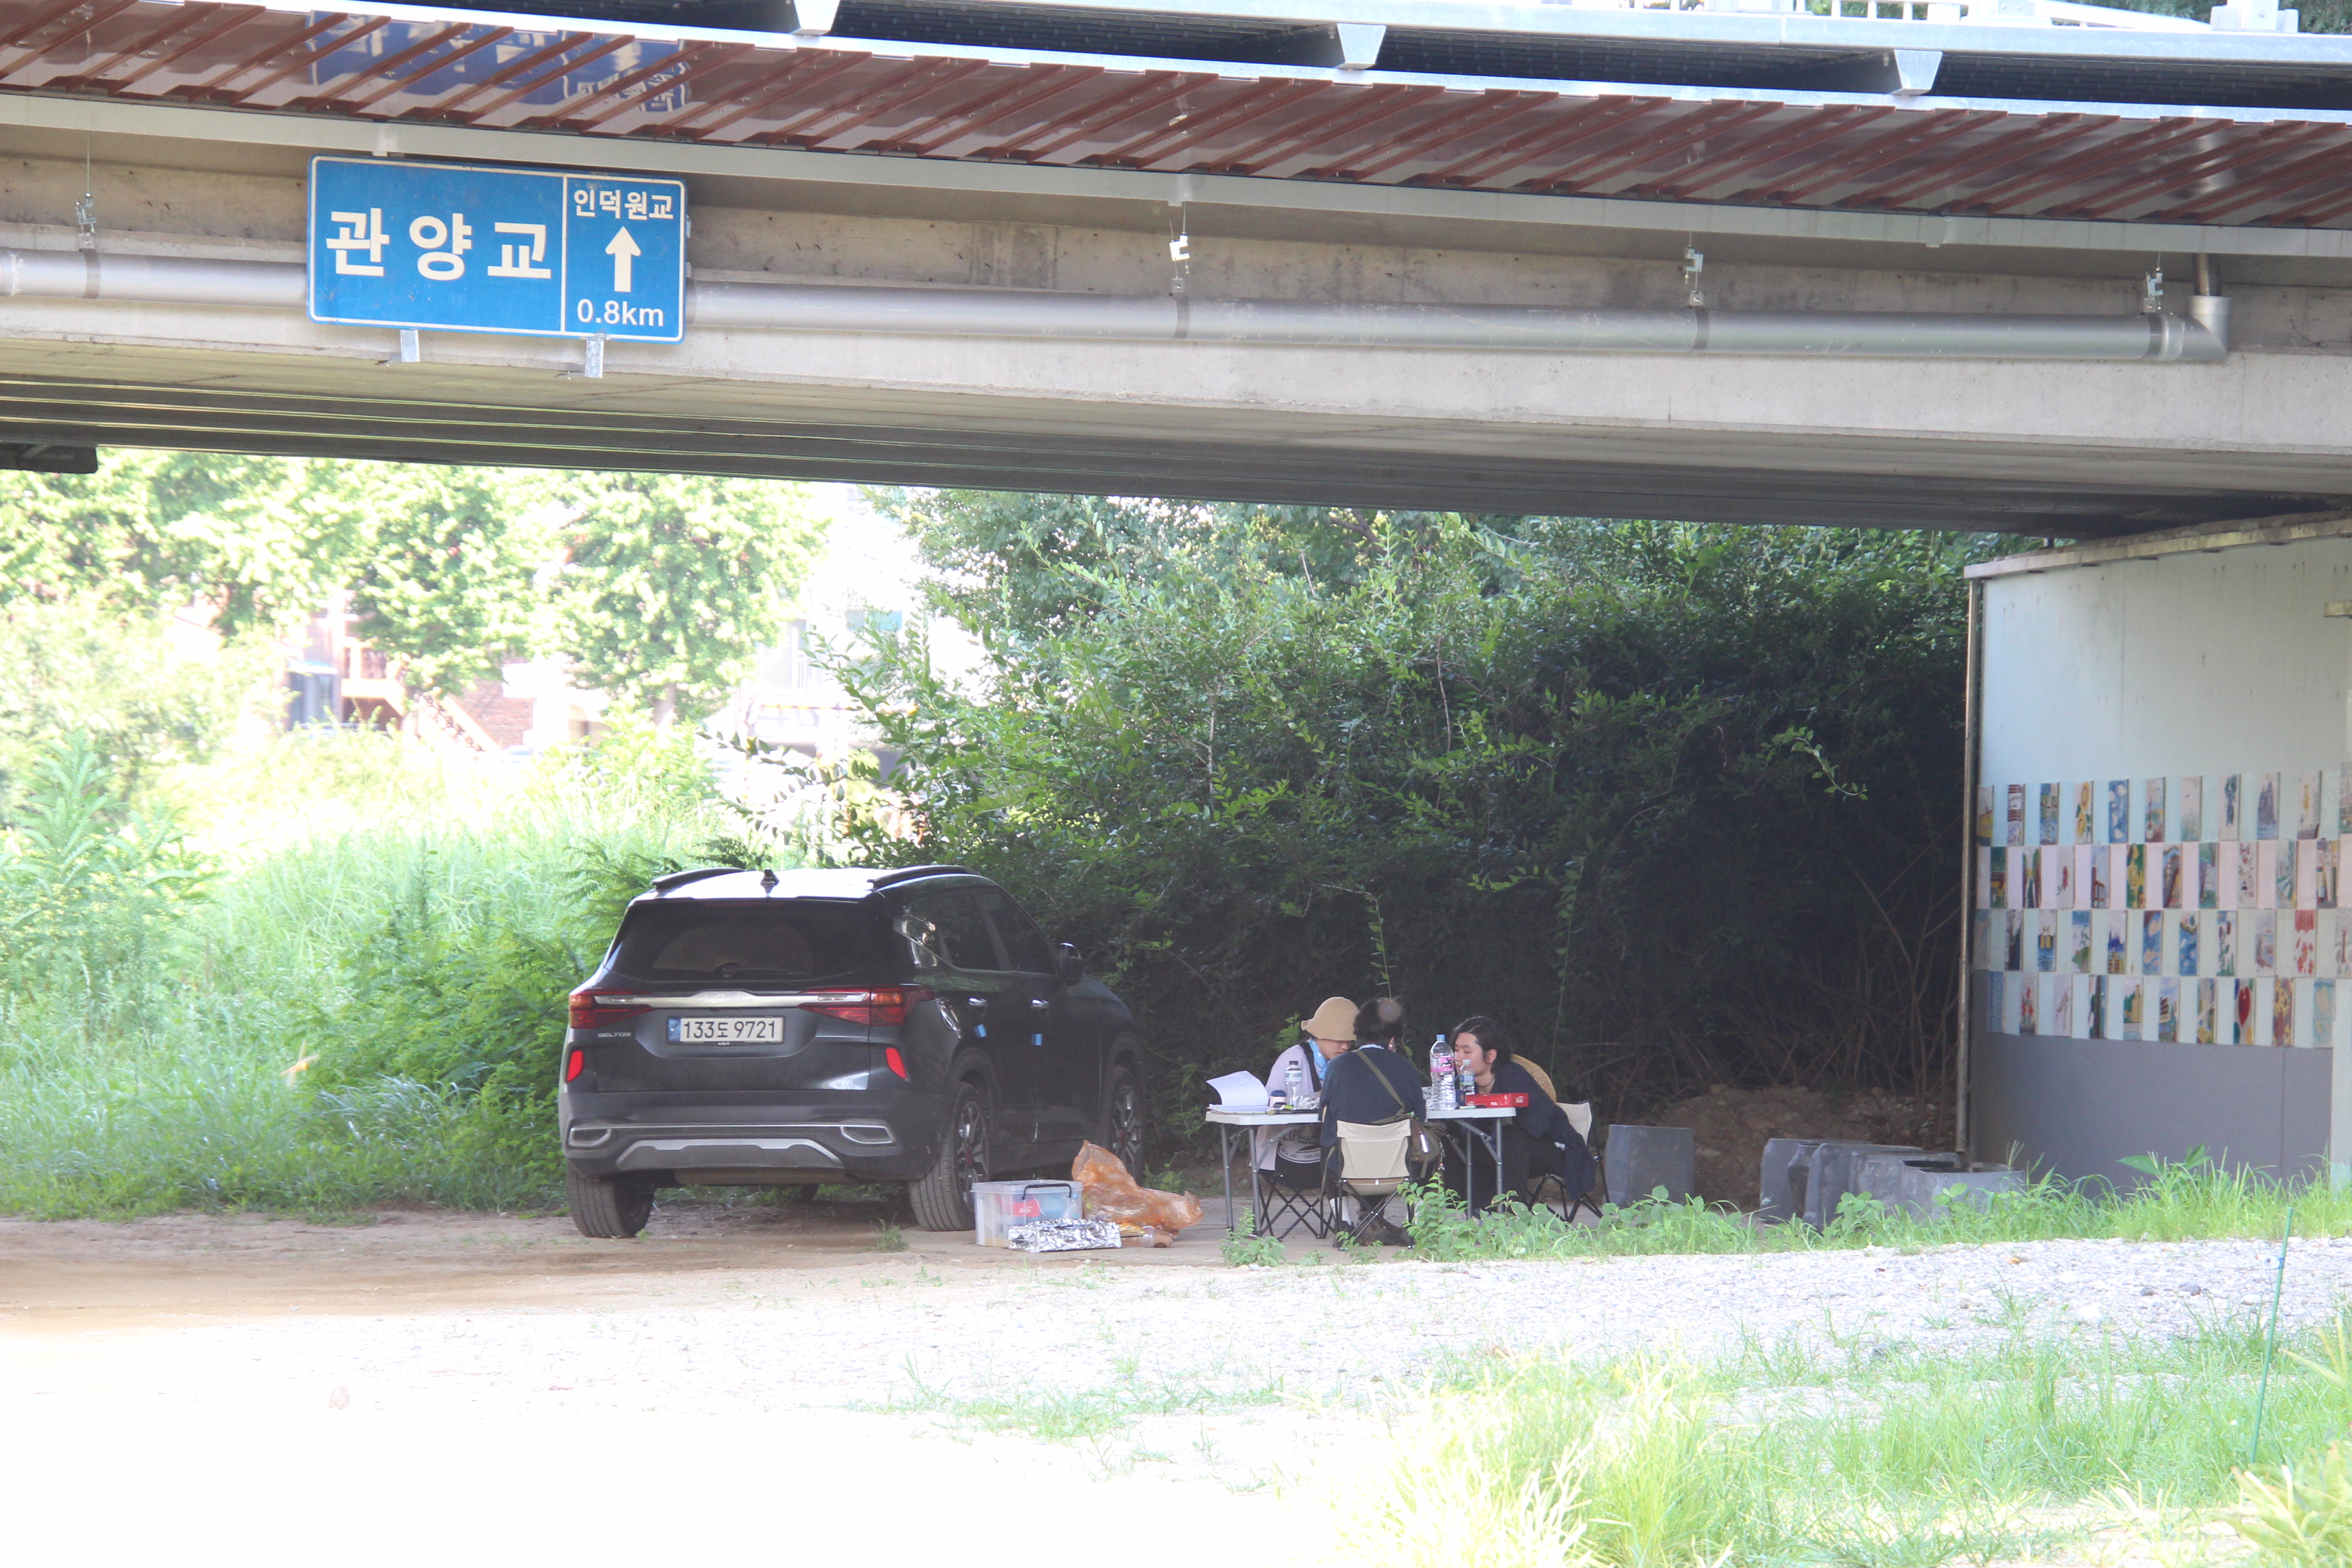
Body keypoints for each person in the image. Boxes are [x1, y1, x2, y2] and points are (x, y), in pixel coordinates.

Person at [1447, 1015, 1595, 1213]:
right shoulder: (1461, 1084)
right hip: (1500, 1152)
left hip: (1552, 1149)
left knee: (1511, 1136)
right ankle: (1468, 1210)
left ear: (1490, 1056)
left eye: (1466, 1051)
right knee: (1453, 1140)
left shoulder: (1512, 1075)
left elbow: (1540, 1124)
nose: (1457, 1058)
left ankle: (1511, 1214)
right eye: (1456, 1050)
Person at [1317, 997, 1433, 1244]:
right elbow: (1421, 1117)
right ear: (1392, 1039)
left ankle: (1344, 1224)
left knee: (1329, 1144)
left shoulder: (1337, 1067)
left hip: (1348, 1169)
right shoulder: (1405, 1068)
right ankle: (1416, 1225)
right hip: (1398, 1169)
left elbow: (1324, 1115)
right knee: (1428, 1150)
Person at [1254, 996, 1356, 1192]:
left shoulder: (1344, 1063)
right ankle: (1342, 1210)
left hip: (1325, 1151)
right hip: (1285, 1154)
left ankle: (1345, 1211)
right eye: (1338, 1041)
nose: (1345, 1047)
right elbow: (1271, 1107)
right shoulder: (1293, 1059)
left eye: (1349, 1041)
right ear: (1320, 1035)